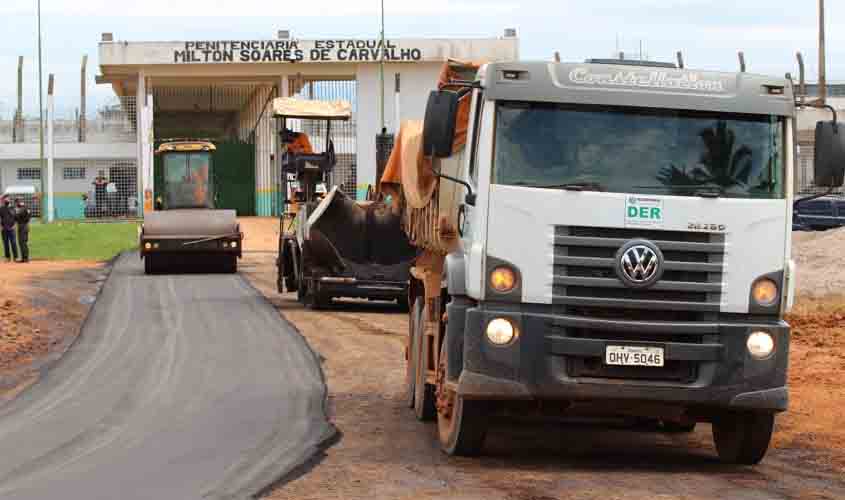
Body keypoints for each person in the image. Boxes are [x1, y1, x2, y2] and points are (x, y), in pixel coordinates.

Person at [0, 196, 18, 263]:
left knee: (13, 243)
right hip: (4, 229)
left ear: (10, 200)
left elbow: (16, 218)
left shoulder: (13, 208)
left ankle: (15, 257)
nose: (7, 200)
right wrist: (1, 226)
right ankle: (7, 257)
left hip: (12, 228)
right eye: (5, 199)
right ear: (4, 200)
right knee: (6, 243)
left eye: (8, 199)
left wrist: (15, 225)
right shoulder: (1, 208)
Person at [15, 198, 30, 263]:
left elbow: (16, 217)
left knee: (22, 242)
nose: (16, 204)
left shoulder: (21, 209)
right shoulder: (27, 208)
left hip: (22, 226)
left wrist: (15, 213)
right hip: (26, 226)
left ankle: (25, 258)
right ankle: (25, 257)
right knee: (24, 242)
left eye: (17, 202)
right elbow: (29, 216)